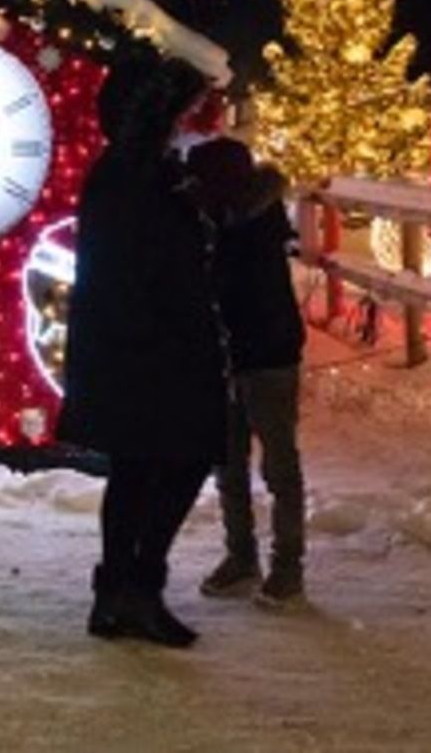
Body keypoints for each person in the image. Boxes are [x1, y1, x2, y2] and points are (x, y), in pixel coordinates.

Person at [58, 51, 225, 648]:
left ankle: (118, 592)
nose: (186, 123)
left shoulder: (129, 171)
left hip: (130, 344)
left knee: (137, 467)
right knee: (181, 457)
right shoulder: (139, 177)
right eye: (181, 111)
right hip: (153, 347)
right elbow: (145, 266)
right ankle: (137, 587)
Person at [187, 132, 306, 609]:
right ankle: (241, 557)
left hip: (266, 357)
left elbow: (246, 296)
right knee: (228, 463)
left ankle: (287, 568)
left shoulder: (249, 228)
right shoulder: (221, 222)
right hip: (228, 357)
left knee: (278, 466)